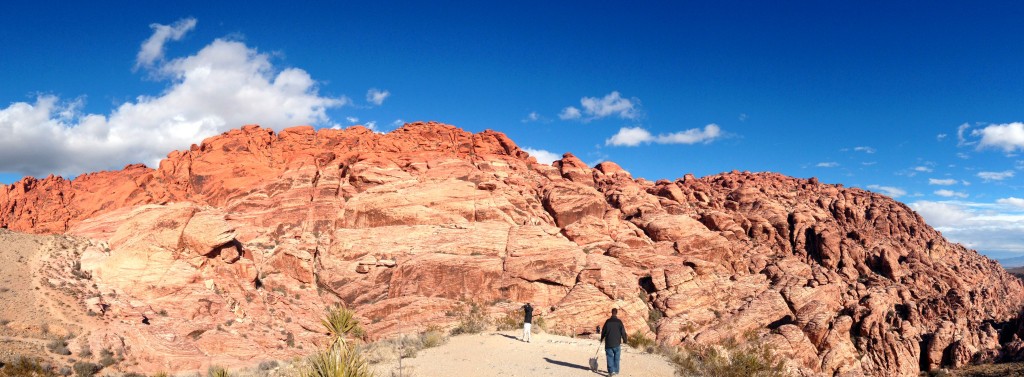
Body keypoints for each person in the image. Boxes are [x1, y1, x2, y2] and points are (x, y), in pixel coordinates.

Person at [600, 308, 627, 376]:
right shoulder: (619, 322)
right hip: (617, 343)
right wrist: (625, 340)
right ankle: (616, 371)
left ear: (611, 313)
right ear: (616, 313)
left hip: (608, 343)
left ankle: (611, 372)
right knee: (616, 358)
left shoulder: (607, 321)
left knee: (609, 357)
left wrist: (601, 338)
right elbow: (623, 332)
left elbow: (603, 331)